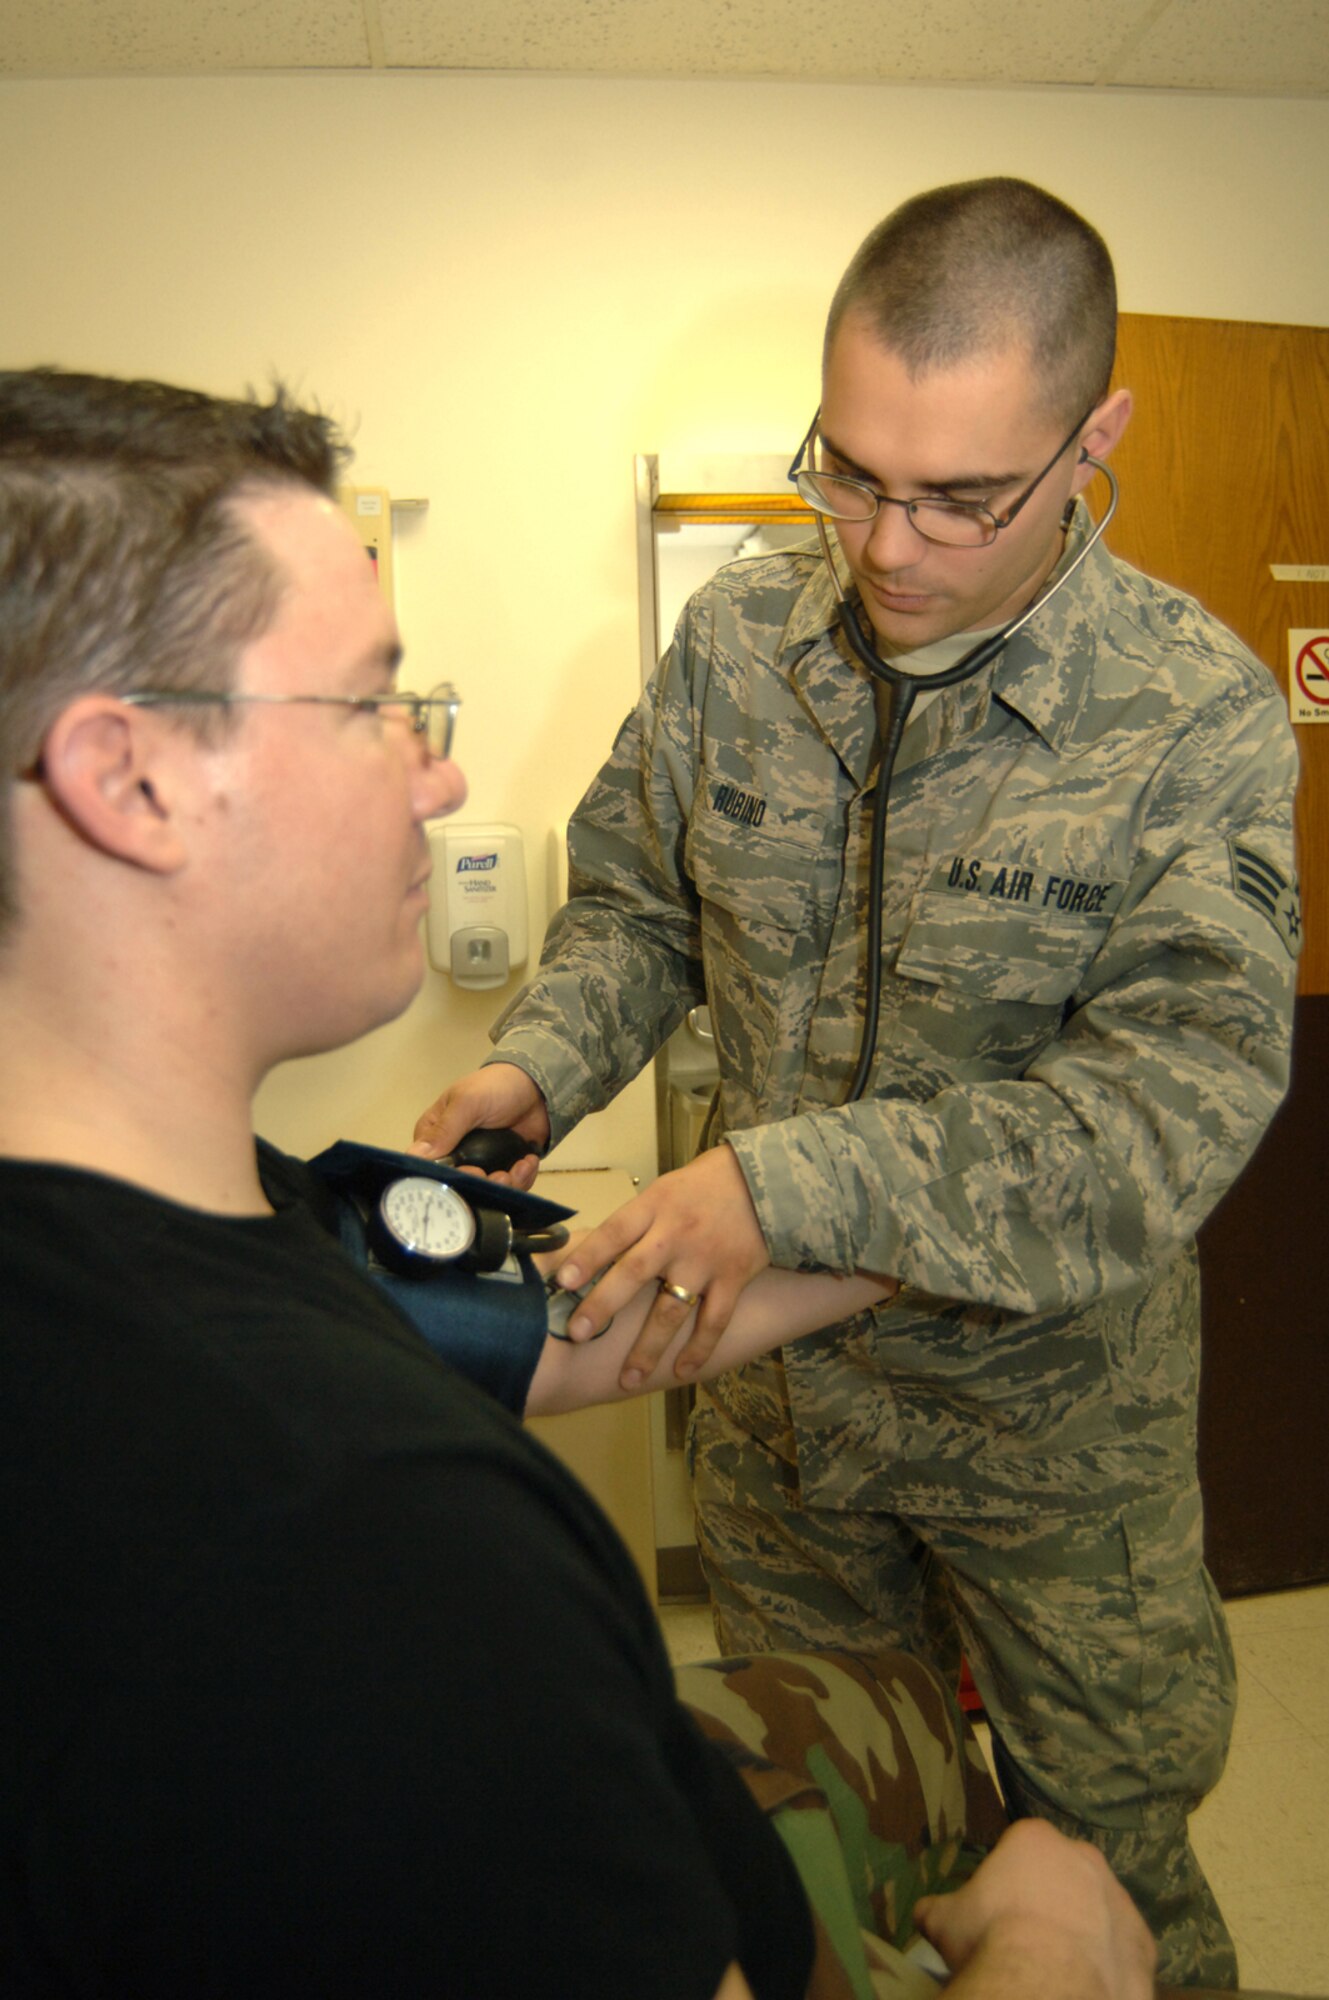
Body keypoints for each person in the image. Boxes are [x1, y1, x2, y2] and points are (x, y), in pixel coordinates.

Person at [0, 364, 1161, 2000]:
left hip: (1035, 1410)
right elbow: (637, 904)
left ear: (1083, 443)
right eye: (375, 701)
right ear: (128, 779)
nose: (441, 774)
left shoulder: (212, 1227)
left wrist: (848, 1223)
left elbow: (483, 1324)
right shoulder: (382, 1539)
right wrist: (1049, 1959)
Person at [414, 178, 1301, 1988]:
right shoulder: (743, 644)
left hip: (1055, 1446)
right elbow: (644, 904)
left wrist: (781, 1187)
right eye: (850, 471)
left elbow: (1160, 1110)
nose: (888, 546)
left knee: (1103, 1883)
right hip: (783, 1436)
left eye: (961, 495)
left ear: (1093, 437)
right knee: (830, 1857)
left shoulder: (1193, 716)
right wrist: (537, 1063)